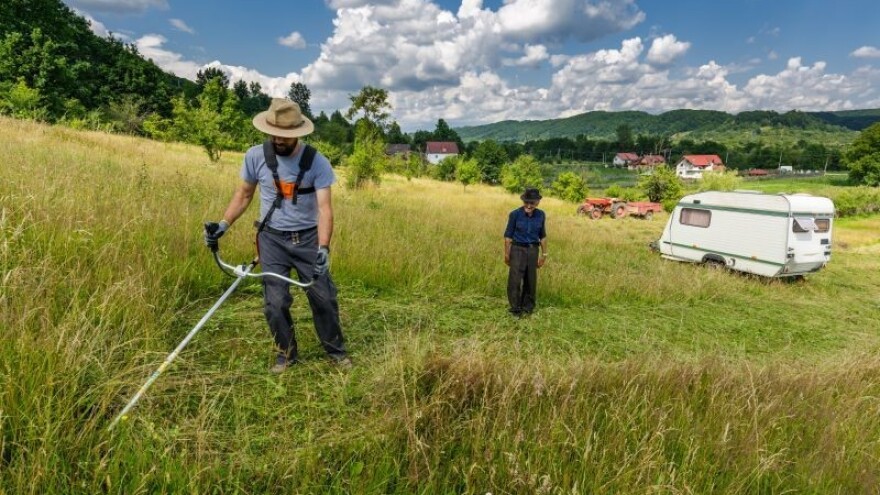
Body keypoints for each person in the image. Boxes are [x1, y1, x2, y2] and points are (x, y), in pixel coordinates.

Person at [204, 98, 350, 373]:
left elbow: (325, 209)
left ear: (296, 133)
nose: (278, 139)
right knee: (275, 302)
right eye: (274, 133)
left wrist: (323, 248)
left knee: (324, 297)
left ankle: (336, 352)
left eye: (284, 135)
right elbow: (244, 194)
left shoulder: (317, 162)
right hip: (270, 238)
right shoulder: (255, 156)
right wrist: (223, 224)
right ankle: (286, 355)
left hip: (307, 238)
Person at [503, 187, 548, 317]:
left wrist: (544, 255)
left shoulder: (541, 215)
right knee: (515, 280)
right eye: (526, 202)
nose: (528, 205)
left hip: (533, 250)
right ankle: (516, 308)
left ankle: (528, 307)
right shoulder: (514, 214)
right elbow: (508, 236)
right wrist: (507, 254)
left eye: (532, 203)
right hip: (517, 249)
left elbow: (543, 236)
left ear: (537, 202)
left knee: (530, 280)